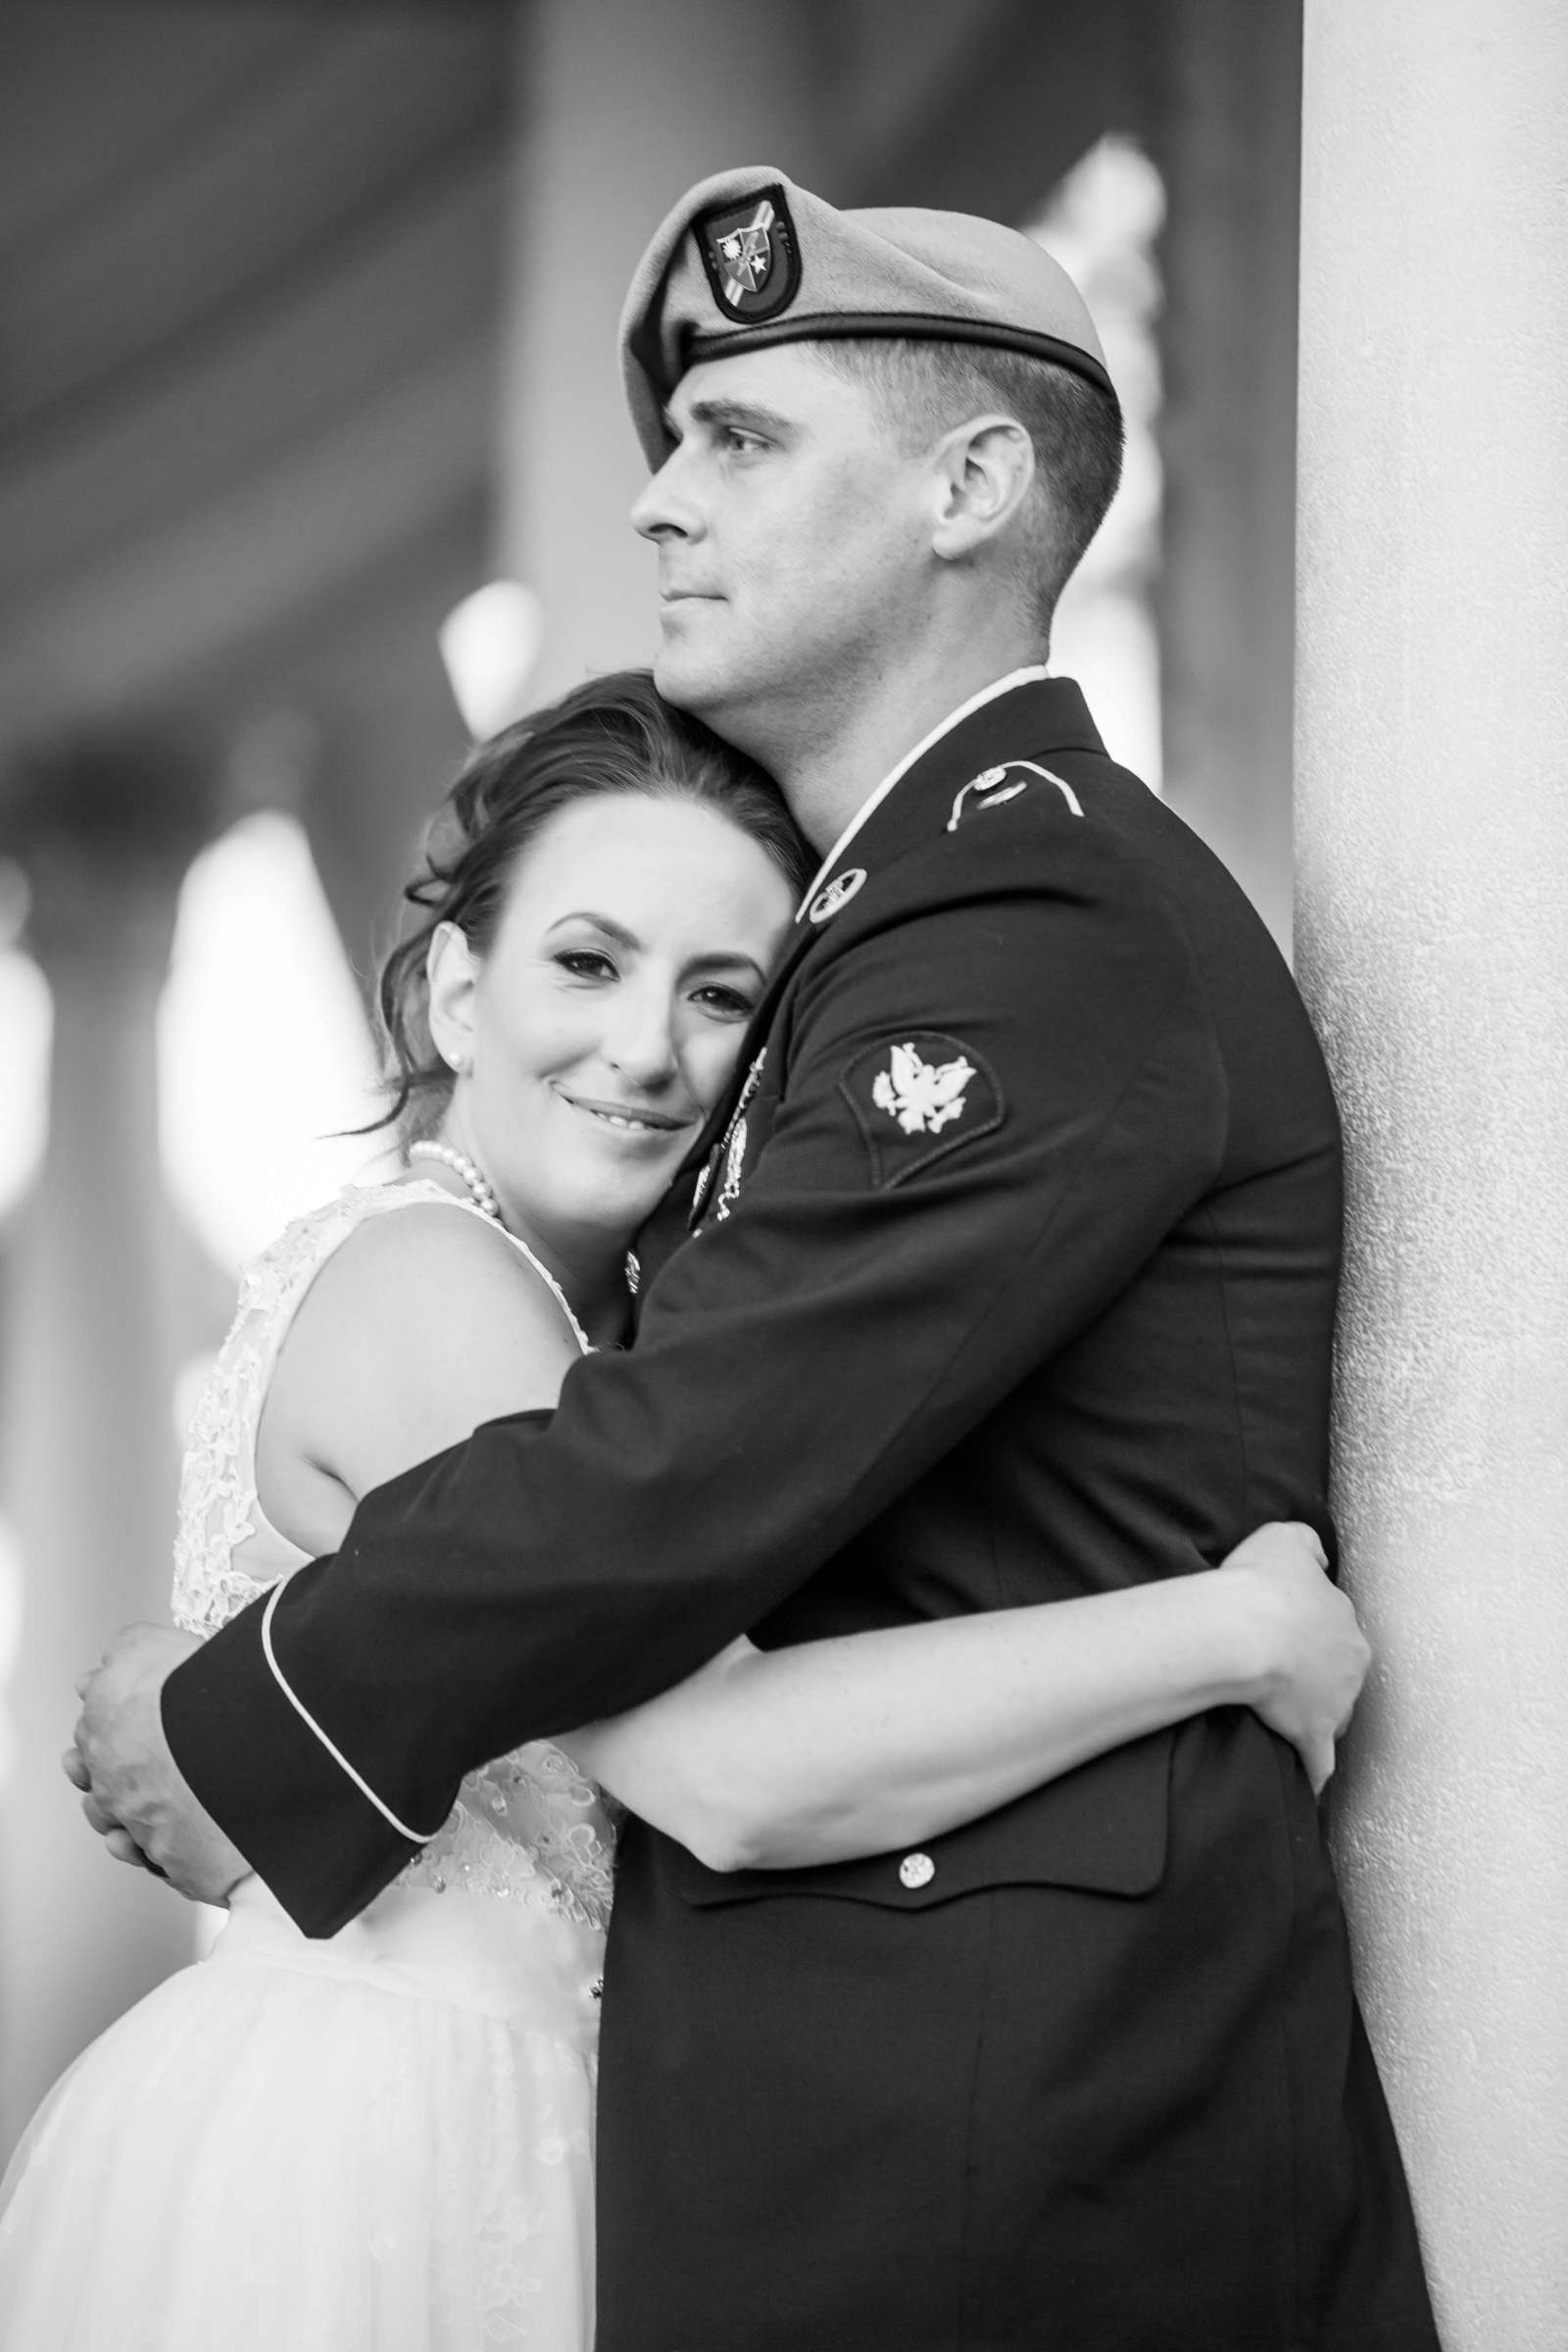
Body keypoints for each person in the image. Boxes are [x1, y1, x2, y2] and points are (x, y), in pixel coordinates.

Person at [74, 172, 1441, 2349]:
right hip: (873, 2120)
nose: (655, 508)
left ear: (969, 487)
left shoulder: (1021, 915)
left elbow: (677, 1458)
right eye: (669, 445)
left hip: (1001, 2129)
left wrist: (260, 1703)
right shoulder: (889, 926)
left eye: (742, 441)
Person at [6, 675, 1357, 2350]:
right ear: (452, 992)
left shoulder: (593, 1343)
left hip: (541, 2113)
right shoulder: (442, 1290)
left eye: (721, 994)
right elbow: (727, 1772)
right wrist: (1230, 1630)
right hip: (396, 2153)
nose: (646, 1049)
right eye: (586, 962)